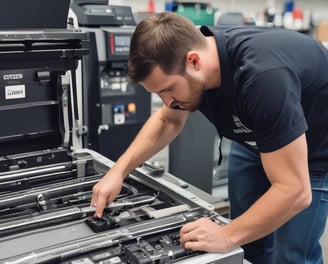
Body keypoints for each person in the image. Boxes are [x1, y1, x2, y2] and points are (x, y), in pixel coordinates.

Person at [91, 11, 328, 264]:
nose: (167, 102)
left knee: (290, 255)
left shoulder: (263, 78)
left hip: (311, 153)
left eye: (168, 89)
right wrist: (118, 171)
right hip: (255, 137)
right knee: (248, 242)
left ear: (194, 61)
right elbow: (167, 120)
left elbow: (295, 190)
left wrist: (226, 235)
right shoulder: (196, 51)